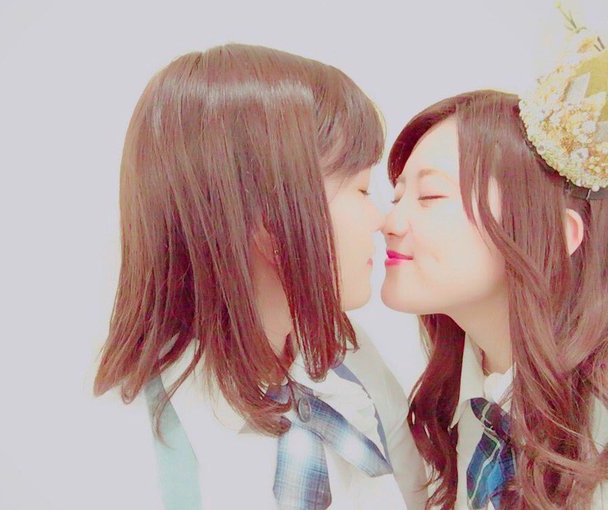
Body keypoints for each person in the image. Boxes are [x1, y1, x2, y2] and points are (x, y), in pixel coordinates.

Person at [93, 43, 427, 509]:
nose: (381, 220)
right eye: (361, 189)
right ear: (269, 215)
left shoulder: (349, 359)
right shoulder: (125, 444)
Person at [380, 30, 608, 510]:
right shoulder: (453, 408)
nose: (389, 223)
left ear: (554, 234)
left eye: (430, 196)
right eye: (397, 197)